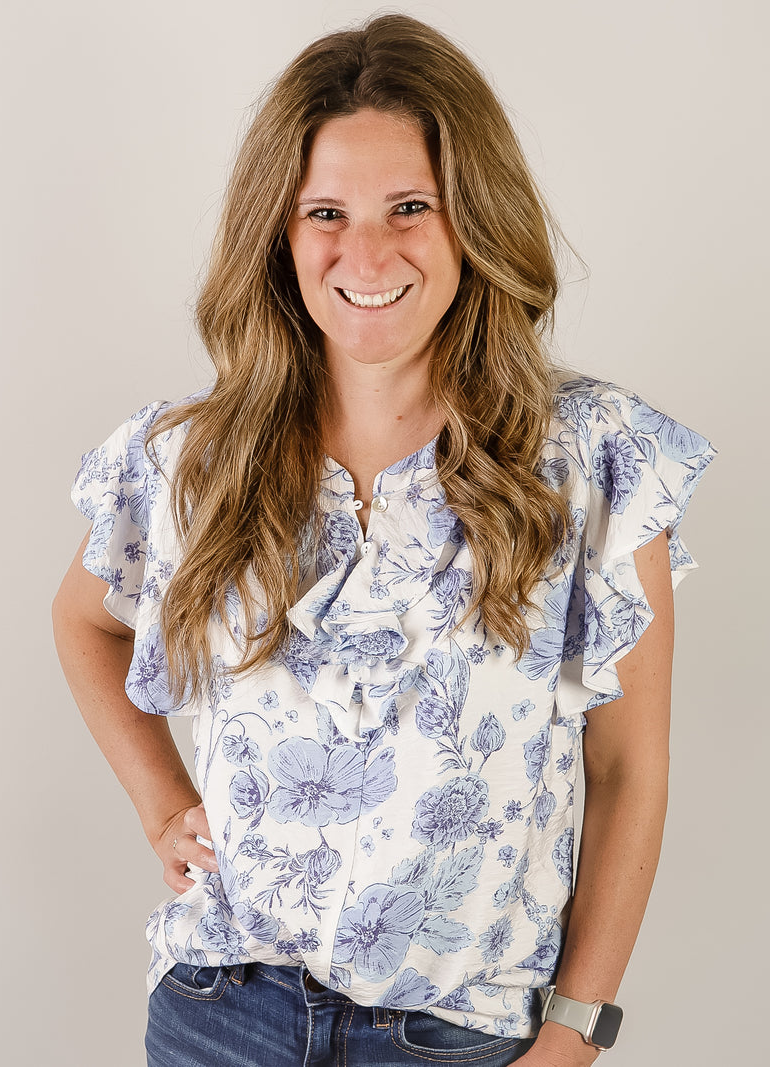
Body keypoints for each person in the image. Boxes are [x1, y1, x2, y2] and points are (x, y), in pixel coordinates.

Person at [52, 13, 715, 1067]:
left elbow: (629, 767)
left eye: (410, 206)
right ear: (279, 229)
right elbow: (83, 617)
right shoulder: (188, 456)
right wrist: (160, 800)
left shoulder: (594, 459)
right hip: (219, 1013)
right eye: (325, 211)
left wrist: (574, 1032)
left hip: (461, 1037)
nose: (365, 252)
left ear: (473, 222)